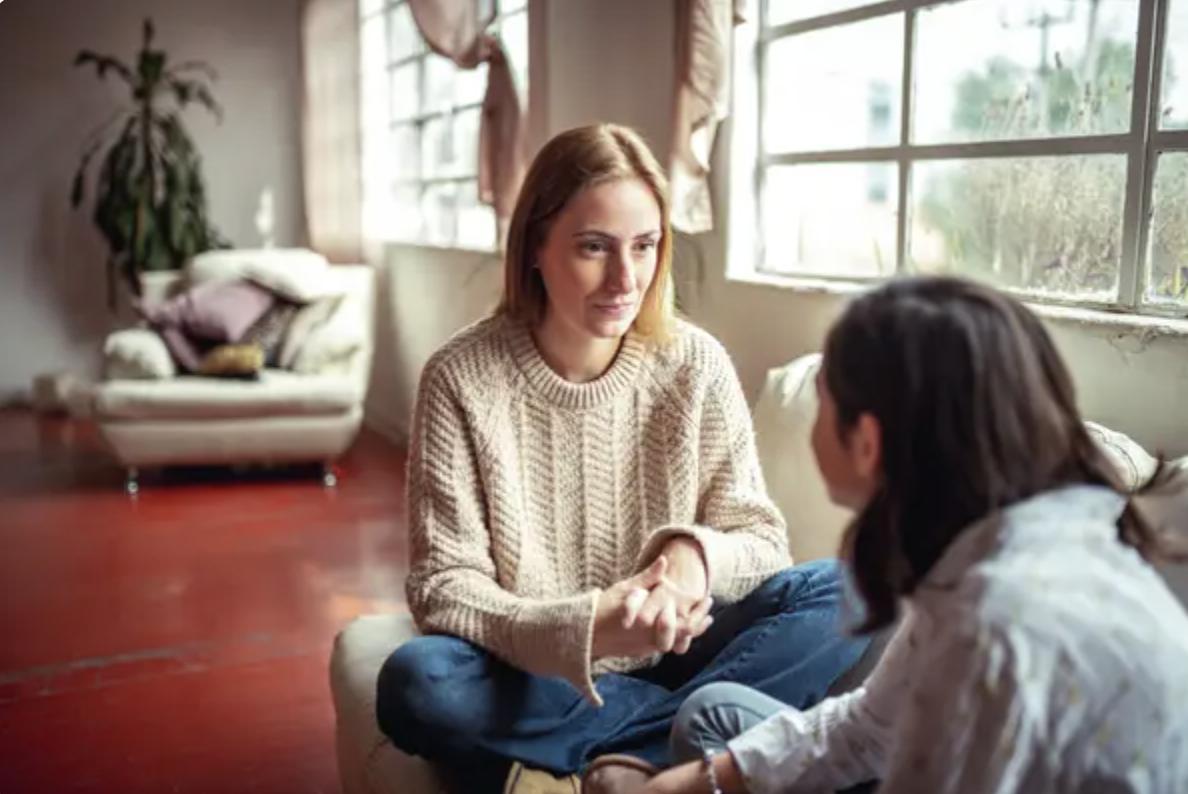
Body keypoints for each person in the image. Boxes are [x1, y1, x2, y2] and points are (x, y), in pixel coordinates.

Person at [373, 123, 870, 794]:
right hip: (540, 672)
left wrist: (693, 562)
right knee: (418, 683)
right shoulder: (460, 379)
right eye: (593, 248)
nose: (625, 278)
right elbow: (445, 588)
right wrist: (592, 626)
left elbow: (761, 540)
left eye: (644, 246)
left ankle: (609, 761)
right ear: (535, 250)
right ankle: (679, 752)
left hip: (685, 652)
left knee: (852, 587)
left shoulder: (695, 364)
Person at [635, 275, 1188, 794]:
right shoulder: (1004, 544)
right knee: (714, 717)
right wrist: (687, 783)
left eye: (824, 394)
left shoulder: (992, 627)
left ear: (868, 440)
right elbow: (871, 727)